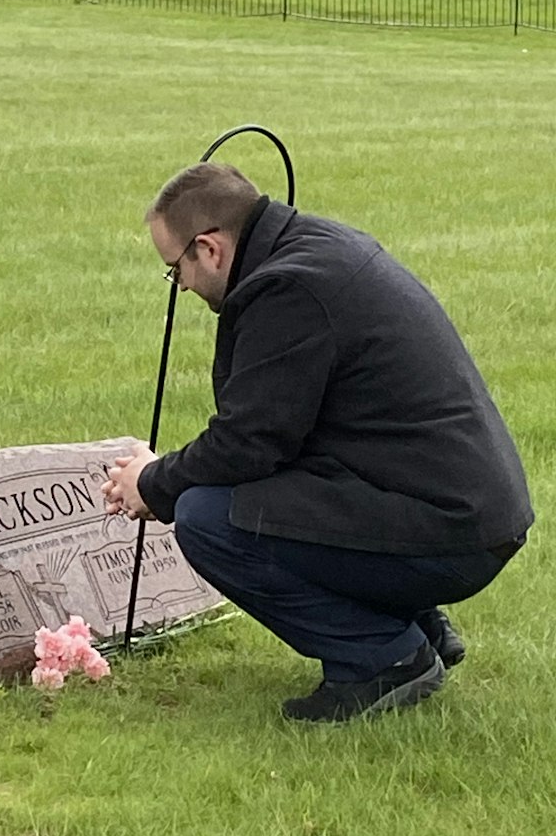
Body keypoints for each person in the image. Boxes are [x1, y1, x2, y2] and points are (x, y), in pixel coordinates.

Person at [102, 164, 533, 723]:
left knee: (208, 517)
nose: (180, 286)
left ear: (208, 249)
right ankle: (414, 623)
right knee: (261, 496)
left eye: (173, 269)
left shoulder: (288, 289)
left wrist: (152, 482)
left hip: (451, 532)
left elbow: (247, 445)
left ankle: (384, 658)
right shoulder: (318, 247)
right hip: (465, 511)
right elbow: (275, 437)